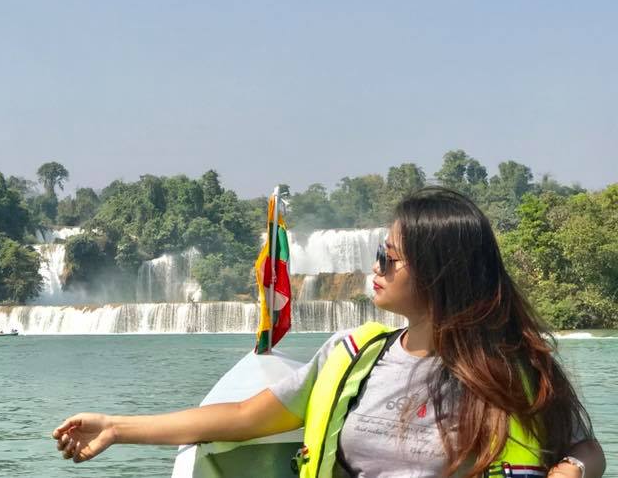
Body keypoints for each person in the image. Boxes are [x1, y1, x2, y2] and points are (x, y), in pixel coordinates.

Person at [53, 187, 606, 477]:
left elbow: (584, 446)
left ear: (440, 273)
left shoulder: (512, 370)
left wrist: (573, 469)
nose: (375, 267)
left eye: (388, 258)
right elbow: (243, 417)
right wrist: (117, 427)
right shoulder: (351, 357)